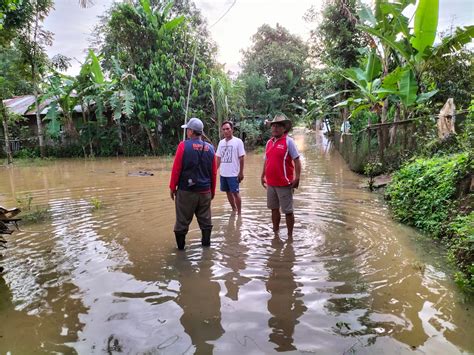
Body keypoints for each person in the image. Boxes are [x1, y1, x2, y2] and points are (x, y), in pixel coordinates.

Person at [169, 117, 217, 250]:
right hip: (205, 192)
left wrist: (173, 187)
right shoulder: (211, 148)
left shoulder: (183, 146)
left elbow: (176, 169)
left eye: (187, 130)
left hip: (186, 193)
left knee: (182, 222)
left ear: (190, 132)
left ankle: (180, 251)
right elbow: (213, 173)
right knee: (206, 222)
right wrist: (212, 191)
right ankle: (206, 249)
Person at [261, 114, 301, 239]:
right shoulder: (269, 143)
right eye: (273, 126)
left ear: (284, 128)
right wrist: (262, 176)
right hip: (271, 183)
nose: (275, 128)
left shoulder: (289, 142)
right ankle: (276, 233)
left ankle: (290, 237)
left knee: (288, 211)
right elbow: (267, 160)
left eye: (278, 126)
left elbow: (297, 160)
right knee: (273, 209)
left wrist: (297, 178)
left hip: (285, 183)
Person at [216, 121, 246, 214]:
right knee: (227, 192)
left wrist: (241, 173)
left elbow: (241, 158)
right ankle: (234, 209)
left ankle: (239, 213)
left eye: (228, 129)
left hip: (233, 173)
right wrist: (214, 171)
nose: (226, 131)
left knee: (235, 193)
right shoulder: (221, 143)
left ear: (232, 130)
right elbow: (218, 158)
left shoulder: (238, 142)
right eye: (224, 129)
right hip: (223, 173)